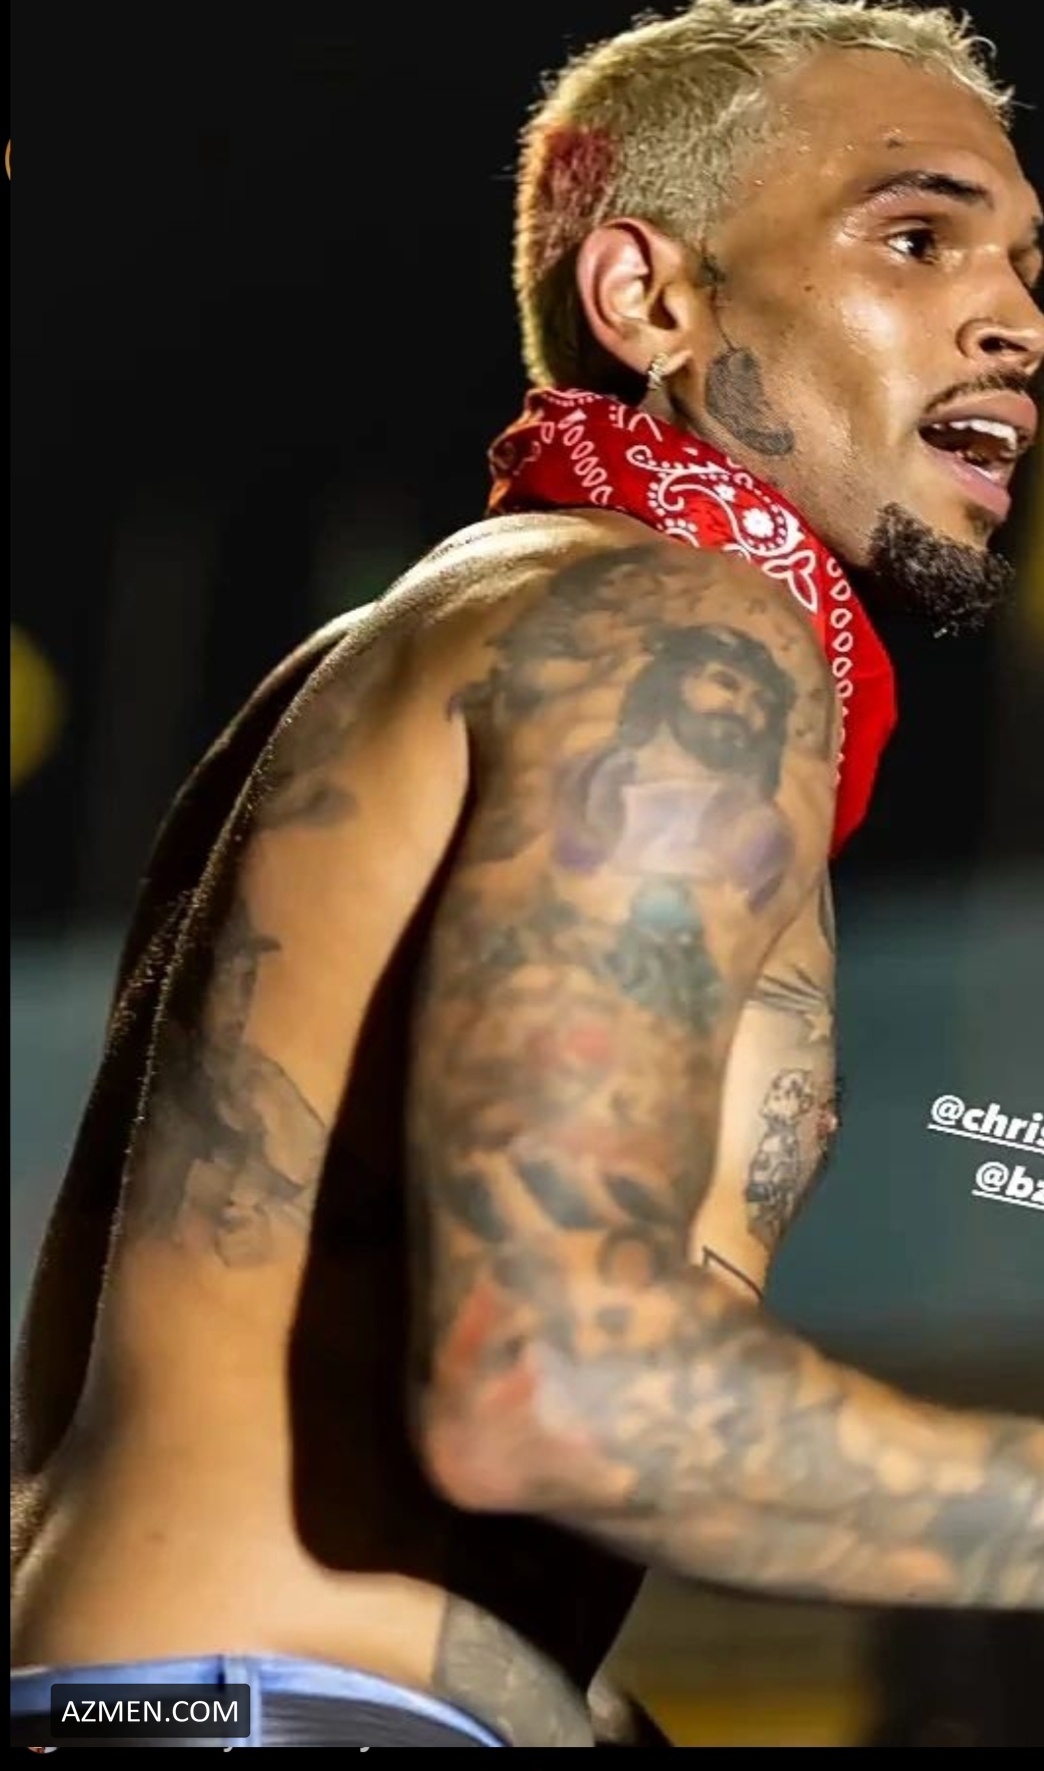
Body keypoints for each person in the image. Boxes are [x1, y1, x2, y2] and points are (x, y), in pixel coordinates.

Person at [10, 0, 1044, 1750]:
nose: (1014, 318)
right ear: (652, 297)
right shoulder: (666, 637)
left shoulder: (431, 642)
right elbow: (552, 1386)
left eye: (1025, 263)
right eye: (917, 238)